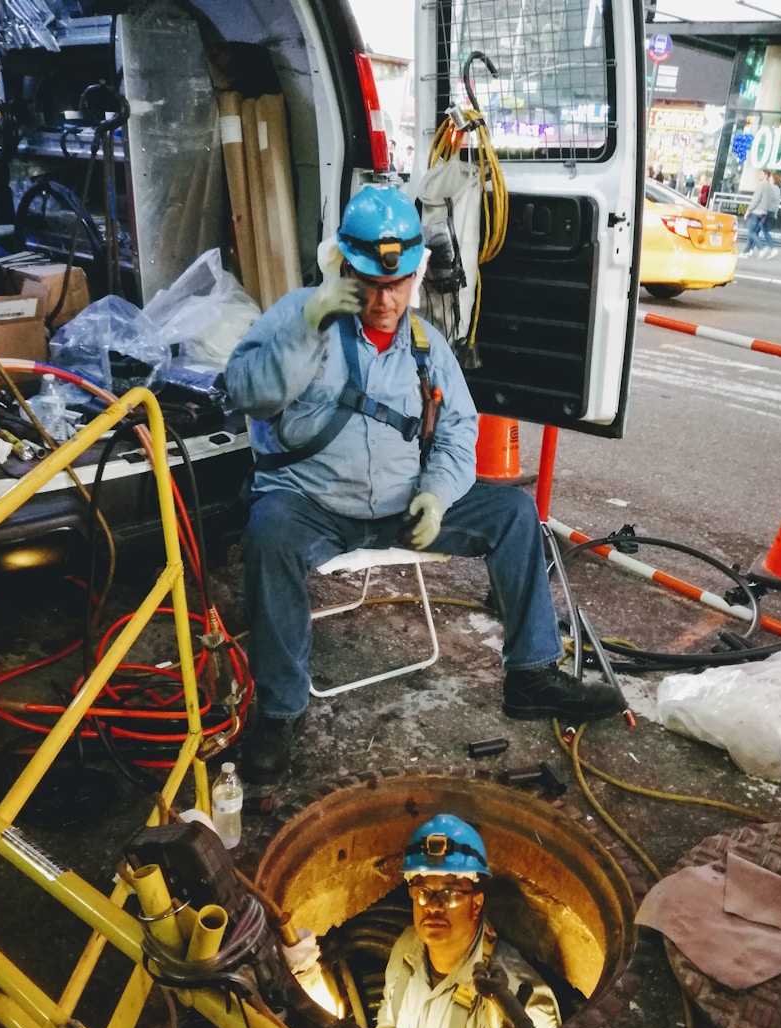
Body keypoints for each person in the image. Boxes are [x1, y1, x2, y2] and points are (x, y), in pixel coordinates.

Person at [225, 186, 621, 791]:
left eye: (400, 283)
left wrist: (436, 493)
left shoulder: (426, 344)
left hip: (400, 506)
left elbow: (460, 429)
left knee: (515, 512)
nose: (386, 300)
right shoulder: (300, 314)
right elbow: (250, 393)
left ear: (418, 274)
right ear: (343, 268)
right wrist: (307, 326)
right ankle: (278, 713)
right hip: (311, 504)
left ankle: (531, 675)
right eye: (371, 284)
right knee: (267, 534)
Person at [374, 813, 562, 1028]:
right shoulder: (406, 948)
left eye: (449, 894)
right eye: (423, 892)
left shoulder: (520, 1002)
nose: (432, 905)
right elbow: (388, 1023)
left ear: (476, 904)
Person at [741, 170, 772, 257]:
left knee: (751, 232)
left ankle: (761, 248)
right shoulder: (770, 187)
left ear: (766, 176)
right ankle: (747, 250)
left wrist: (748, 210)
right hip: (763, 212)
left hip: (756, 211)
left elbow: (756, 199)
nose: (759, 175)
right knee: (754, 232)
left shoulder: (761, 185)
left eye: (761, 174)